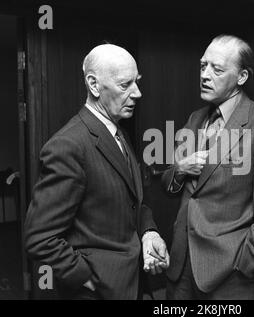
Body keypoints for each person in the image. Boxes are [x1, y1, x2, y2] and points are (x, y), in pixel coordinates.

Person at [25, 44, 169, 300]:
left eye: (137, 82)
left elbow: (131, 202)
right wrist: (87, 278)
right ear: (94, 85)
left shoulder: (119, 133)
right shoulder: (68, 146)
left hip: (131, 284)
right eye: (126, 85)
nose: (137, 93)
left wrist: (149, 233)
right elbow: (40, 238)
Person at [162, 35, 254, 300]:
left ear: (242, 76)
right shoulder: (195, 118)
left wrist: (241, 266)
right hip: (179, 266)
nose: (205, 75)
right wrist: (179, 168)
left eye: (217, 69)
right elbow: (169, 182)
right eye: (203, 66)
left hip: (227, 274)